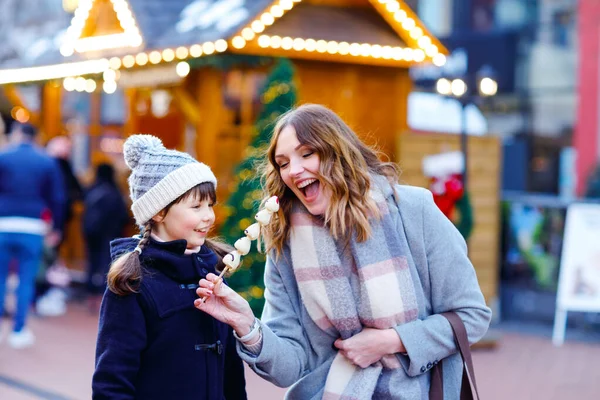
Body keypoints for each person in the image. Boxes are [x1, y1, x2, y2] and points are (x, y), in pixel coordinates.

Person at [195, 104, 492, 399]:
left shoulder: (414, 211)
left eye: (307, 153)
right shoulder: (284, 244)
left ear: (339, 152)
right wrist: (248, 325)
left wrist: (392, 341)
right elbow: (289, 367)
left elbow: (471, 316)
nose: (294, 170)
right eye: (283, 163)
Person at [92, 134, 247, 399]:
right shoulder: (133, 282)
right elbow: (112, 381)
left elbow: (231, 369)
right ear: (159, 212)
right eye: (196, 206)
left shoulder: (213, 270)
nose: (208, 215)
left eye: (210, 204)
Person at [0, 123, 65, 349]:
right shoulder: (46, 161)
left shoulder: (3, 156)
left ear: (17, 134)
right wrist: (56, 227)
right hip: (32, 226)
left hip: (3, 223)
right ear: (36, 137)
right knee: (26, 279)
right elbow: (57, 197)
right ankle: (18, 330)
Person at [82, 162, 130, 313]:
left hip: (91, 234)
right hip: (110, 235)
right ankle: (104, 298)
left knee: (91, 264)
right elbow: (123, 216)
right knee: (107, 266)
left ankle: (90, 296)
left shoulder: (92, 190)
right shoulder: (114, 192)